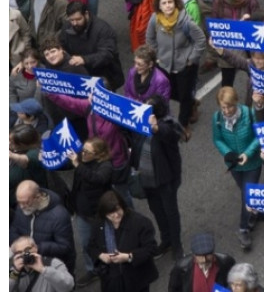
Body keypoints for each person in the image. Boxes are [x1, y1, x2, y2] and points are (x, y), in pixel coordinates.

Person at [145, 0, 206, 135]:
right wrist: (157, 55)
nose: (167, 5)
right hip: (164, 64)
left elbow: (201, 40)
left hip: (184, 66)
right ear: (159, 6)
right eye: (164, 3)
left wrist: (191, 59)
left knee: (184, 95)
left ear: (176, 3)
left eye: (170, 2)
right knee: (169, 92)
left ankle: (183, 125)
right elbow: (150, 39)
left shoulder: (186, 22)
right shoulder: (155, 19)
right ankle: (192, 103)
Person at [130, 95, 183, 259]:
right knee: (158, 212)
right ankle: (166, 240)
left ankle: (176, 246)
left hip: (165, 180)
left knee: (170, 213)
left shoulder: (167, 125)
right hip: (147, 181)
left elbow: (170, 136)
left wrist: (156, 127)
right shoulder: (141, 126)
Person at [212, 86, 262, 250]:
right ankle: (254, 211)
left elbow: (259, 136)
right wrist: (227, 153)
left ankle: (243, 229)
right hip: (234, 165)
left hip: (252, 163)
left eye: (230, 106)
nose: (226, 110)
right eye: (223, 107)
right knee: (245, 192)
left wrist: (248, 153)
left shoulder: (249, 113)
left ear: (236, 102)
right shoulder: (217, 118)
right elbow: (217, 139)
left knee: (246, 194)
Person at [88, 190, 159, 292]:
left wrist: (129, 257)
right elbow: (91, 246)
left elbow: (151, 249)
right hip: (111, 279)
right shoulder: (99, 224)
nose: (116, 215)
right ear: (104, 213)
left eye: (118, 210)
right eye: (111, 213)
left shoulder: (140, 223)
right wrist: (100, 255)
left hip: (136, 280)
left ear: (123, 206)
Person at [66, 138, 113, 287]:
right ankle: (92, 270)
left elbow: (97, 179)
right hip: (81, 212)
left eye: (87, 152)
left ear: (98, 154)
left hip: (97, 213)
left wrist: (78, 165)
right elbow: (68, 163)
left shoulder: (105, 166)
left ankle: (111, 267)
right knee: (86, 244)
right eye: (83, 150)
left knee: (105, 242)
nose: (83, 154)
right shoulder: (82, 160)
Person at [10, 180, 76, 274]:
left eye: (25, 202)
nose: (21, 207)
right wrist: (18, 245)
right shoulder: (21, 208)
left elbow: (65, 247)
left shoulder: (59, 215)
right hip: (29, 266)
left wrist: (38, 248)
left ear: (38, 197)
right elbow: (14, 229)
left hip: (54, 267)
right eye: (19, 202)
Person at [59, 0, 124, 90]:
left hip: (103, 73)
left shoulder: (103, 29)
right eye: (71, 20)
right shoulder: (67, 26)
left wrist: (84, 60)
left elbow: (107, 54)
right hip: (80, 72)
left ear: (86, 14)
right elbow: (61, 44)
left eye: (78, 19)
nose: (74, 23)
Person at [168, 233, 236, 292]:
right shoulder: (181, 267)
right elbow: (174, 288)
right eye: (201, 262)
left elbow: (235, 282)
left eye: (208, 261)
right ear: (194, 255)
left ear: (213, 254)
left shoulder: (226, 262)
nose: (204, 260)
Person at [9, 236, 74, 292]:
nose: (25, 254)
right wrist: (15, 271)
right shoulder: (14, 270)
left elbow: (68, 286)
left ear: (36, 248)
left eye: (27, 250)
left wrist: (43, 270)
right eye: (19, 252)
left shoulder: (52, 263)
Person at [9, 126, 48, 209]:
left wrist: (11, 155)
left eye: (12, 142)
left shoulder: (36, 154)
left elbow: (26, 160)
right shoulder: (15, 148)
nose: (8, 143)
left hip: (23, 196)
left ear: (22, 145)